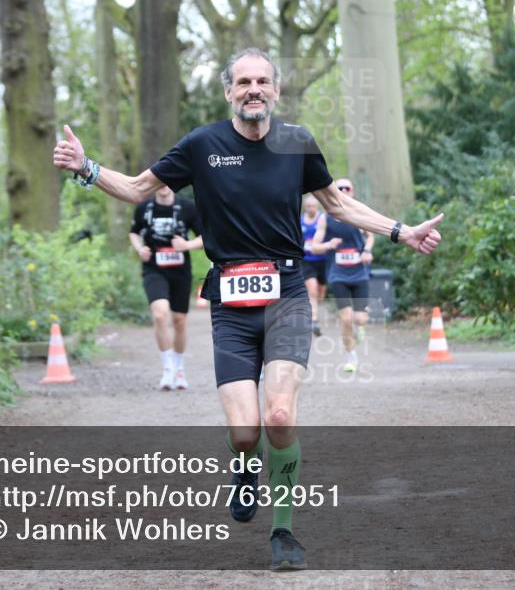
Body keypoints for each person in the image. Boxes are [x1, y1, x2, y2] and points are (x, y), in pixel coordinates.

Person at [52, 48, 443, 571]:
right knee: (245, 432)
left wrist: (400, 230)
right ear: (228, 91)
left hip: (285, 295)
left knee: (279, 415)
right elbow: (136, 188)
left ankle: (283, 530)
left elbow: (338, 204)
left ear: (276, 90)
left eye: (262, 81)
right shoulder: (202, 145)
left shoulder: (297, 142)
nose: (253, 89)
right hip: (231, 305)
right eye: (243, 82)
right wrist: (86, 168)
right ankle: (243, 467)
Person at [129, 186, 203, 390]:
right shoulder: (144, 208)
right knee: (160, 314)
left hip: (180, 271)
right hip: (154, 269)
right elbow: (134, 233)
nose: (164, 186)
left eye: (169, 182)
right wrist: (139, 249)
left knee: (179, 321)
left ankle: (179, 369)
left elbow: (204, 237)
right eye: (159, 182)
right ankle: (168, 369)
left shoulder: (187, 207)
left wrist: (187, 246)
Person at [310, 178, 373, 372]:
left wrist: (367, 251)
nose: (344, 191)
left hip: (359, 273)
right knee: (345, 318)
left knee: (360, 318)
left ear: (352, 192)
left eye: (347, 189)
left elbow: (370, 235)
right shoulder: (325, 218)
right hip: (338, 275)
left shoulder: (358, 214)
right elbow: (314, 246)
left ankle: (359, 325)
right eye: (339, 189)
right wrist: (329, 245)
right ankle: (351, 357)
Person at [300, 194, 339, 336]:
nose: (311, 209)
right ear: (305, 207)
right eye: (309, 206)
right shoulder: (300, 221)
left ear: (317, 207)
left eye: (313, 206)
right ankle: (314, 320)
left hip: (323, 260)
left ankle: (315, 309)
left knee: (321, 292)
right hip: (307, 261)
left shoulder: (323, 219)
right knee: (313, 291)